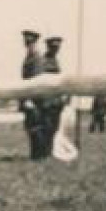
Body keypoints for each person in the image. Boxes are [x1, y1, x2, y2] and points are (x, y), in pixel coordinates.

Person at [18, 29, 47, 159]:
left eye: (29, 42)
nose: (27, 44)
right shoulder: (29, 57)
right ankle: (35, 154)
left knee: (36, 126)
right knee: (31, 126)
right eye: (26, 42)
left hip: (34, 98)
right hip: (29, 96)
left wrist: (29, 98)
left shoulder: (36, 57)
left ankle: (38, 155)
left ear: (34, 42)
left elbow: (35, 79)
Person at [38, 37, 68, 152]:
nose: (56, 49)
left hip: (56, 101)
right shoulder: (44, 61)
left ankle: (49, 150)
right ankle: (45, 151)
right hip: (47, 101)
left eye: (57, 47)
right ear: (48, 47)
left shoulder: (56, 61)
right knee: (47, 127)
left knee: (54, 128)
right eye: (54, 47)